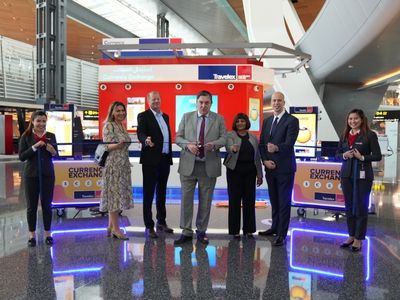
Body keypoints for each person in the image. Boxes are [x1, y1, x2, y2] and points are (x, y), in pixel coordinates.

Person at [174, 90, 227, 245]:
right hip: (188, 165)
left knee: (205, 201)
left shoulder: (219, 119)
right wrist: (188, 145)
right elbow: (178, 137)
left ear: (211, 103)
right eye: (201, 102)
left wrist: (214, 145)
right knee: (186, 200)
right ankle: (186, 231)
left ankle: (201, 231)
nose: (203, 105)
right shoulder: (186, 117)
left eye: (207, 103)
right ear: (196, 103)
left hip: (208, 166)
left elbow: (224, 138)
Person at [336, 109, 381, 252]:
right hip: (347, 175)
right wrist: (344, 155)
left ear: (361, 120)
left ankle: (358, 238)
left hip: (363, 176)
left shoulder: (370, 135)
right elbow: (337, 154)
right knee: (349, 206)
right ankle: (351, 235)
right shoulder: (344, 135)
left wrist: (362, 158)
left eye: (355, 119)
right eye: (350, 119)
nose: (353, 121)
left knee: (360, 207)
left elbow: (377, 156)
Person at [258, 91, 299, 246]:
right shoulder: (267, 121)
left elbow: (289, 143)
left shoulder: (292, 121)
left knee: (283, 202)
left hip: (285, 169)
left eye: (279, 101)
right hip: (270, 168)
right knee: (274, 200)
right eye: (274, 100)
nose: (276, 103)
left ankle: (281, 234)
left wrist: (276, 148)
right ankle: (274, 227)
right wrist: (265, 161)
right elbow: (262, 144)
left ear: (284, 102)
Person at [18, 110, 58, 247]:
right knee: (31, 206)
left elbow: (55, 154)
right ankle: (32, 235)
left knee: (47, 205)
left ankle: (48, 234)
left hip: (47, 174)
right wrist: (34, 147)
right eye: (38, 121)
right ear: (33, 122)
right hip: (31, 175)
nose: (41, 124)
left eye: (43, 121)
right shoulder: (26, 136)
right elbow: (22, 157)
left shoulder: (51, 136)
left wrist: (51, 150)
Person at [137, 91, 173, 239]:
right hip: (151, 160)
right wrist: (145, 140)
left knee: (162, 193)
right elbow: (140, 133)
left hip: (165, 159)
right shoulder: (144, 116)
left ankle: (161, 222)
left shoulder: (165, 116)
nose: (156, 101)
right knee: (149, 193)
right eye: (153, 99)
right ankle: (149, 225)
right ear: (148, 101)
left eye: (158, 99)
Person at [224, 113, 263, 239]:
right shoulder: (230, 135)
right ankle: (235, 231)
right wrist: (233, 149)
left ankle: (249, 230)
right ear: (235, 123)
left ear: (246, 122)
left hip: (250, 173)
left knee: (249, 201)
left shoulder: (253, 137)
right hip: (234, 172)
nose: (240, 123)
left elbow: (257, 157)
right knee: (234, 201)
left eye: (242, 121)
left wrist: (259, 174)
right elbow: (228, 147)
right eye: (238, 121)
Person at [100, 101, 133, 240]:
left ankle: (110, 225)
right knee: (113, 197)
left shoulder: (121, 126)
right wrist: (118, 145)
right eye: (117, 111)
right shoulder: (109, 125)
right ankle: (116, 229)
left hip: (123, 165)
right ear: (112, 112)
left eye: (122, 110)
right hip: (113, 166)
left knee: (117, 195)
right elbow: (106, 146)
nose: (121, 113)